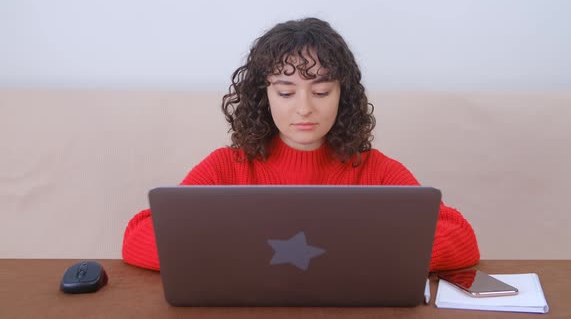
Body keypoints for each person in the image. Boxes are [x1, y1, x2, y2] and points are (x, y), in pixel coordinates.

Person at [122, 17, 480, 272]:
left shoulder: (375, 169)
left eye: (322, 91)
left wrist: (346, 254)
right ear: (264, 96)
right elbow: (139, 236)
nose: (305, 107)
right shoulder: (226, 166)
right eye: (286, 91)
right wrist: (246, 254)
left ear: (344, 95)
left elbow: (461, 239)